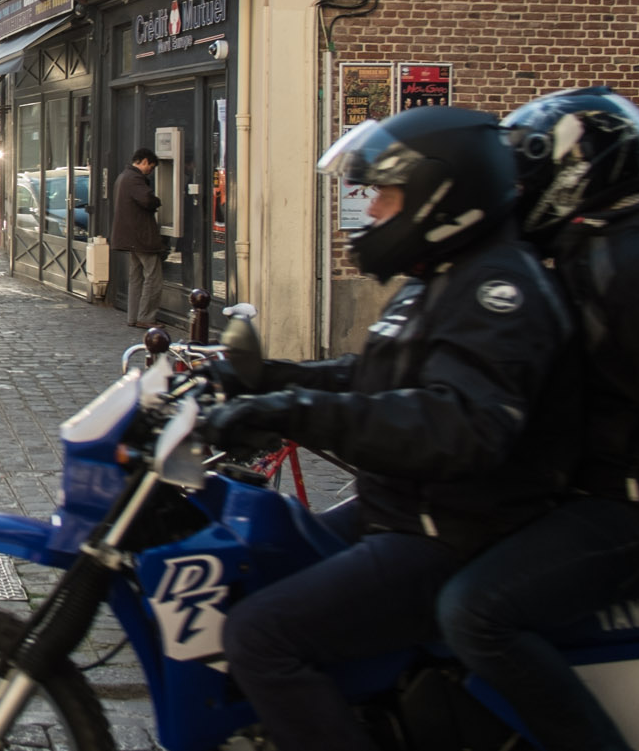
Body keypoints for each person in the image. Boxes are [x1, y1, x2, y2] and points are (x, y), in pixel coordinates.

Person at [202, 107, 576, 751]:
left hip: (452, 531)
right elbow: (372, 374)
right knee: (260, 564)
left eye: (387, 195)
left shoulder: (501, 290)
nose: (372, 212)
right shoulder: (440, 280)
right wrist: (267, 378)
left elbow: (453, 424)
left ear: (442, 196)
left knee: (260, 636)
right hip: (401, 510)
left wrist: (290, 411)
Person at [433, 88, 639, 751]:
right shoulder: (575, 261)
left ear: (576, 172)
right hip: (589, 493)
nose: (517, 189)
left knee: (476, 612)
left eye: (527, 173)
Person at [111, 148, 164, 328]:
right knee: (152, 277)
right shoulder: (135, 178)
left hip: (130, 236)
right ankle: (146, 318)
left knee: (136, 277)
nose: (151, 170)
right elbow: (148, 200)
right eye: (151, 166)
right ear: (143, 161)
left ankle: (133, 317)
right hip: (141, 236)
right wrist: (158, 201)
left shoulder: (123, 176)